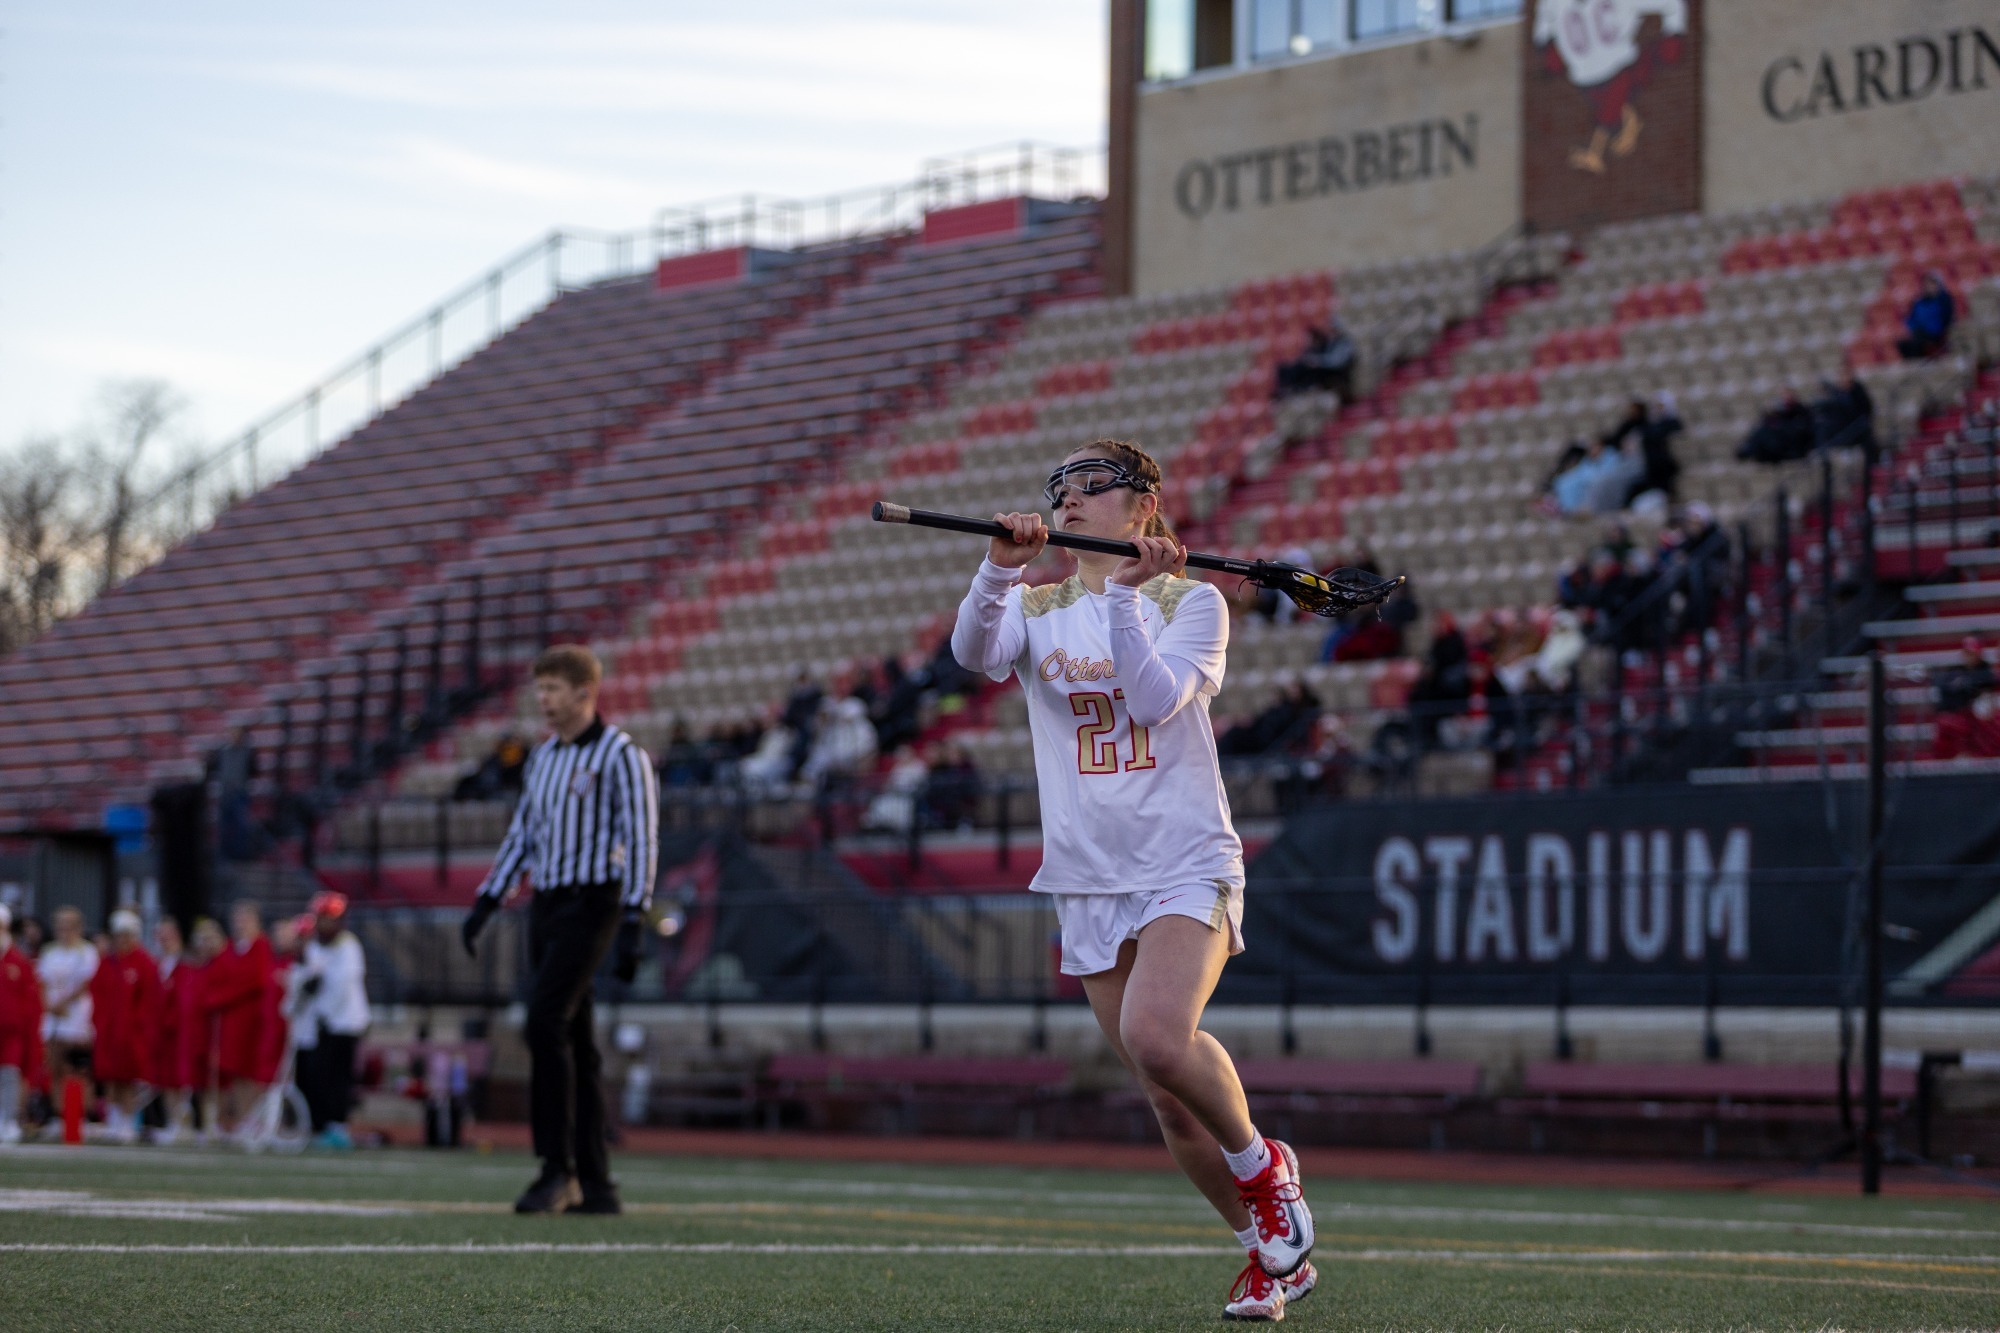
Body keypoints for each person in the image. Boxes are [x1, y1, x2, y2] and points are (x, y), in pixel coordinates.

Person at [951, 438, 1317, 1322]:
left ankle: (1266, 1167)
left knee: (1157, 1036)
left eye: (1092, 485)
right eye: (1060, 488)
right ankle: (1268, 1253)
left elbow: (1153, 701)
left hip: (1184, 860)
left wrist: (1121, 597)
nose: (1069, 500)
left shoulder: (1193, 602)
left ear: (1144, 505)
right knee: (1167, 1099)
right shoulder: (1036, 606)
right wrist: (997, 568)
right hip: (1088, 875)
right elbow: (972, 651)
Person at [461, 644, 659, 1215]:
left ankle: (557, 1168)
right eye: (540, 689)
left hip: (593, 901)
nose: (543, 700)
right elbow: (524, 834)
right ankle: (596, 1183)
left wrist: (633, 915)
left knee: (544, 1021)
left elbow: (642, 836)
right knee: (576, 1039)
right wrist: (488, 898)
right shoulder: (543, 757)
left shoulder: (621, 754)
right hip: (547, 903)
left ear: (584, 692)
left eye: (552, 689)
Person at [296, 891, 368, 1150]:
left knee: (338, 1078)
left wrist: (324, 1010)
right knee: (318, 1077)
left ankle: (337, 1126)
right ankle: (321, 1124)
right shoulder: (315, 946)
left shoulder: (348, 946)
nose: (322, 924)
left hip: (344, 1024)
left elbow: (343, 985)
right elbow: (310, 976)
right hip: (321, 1025)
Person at [87, 910, 160, 1144]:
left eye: (127, 935)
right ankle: (114, 1119)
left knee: (129, 1078)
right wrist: (99, 1022)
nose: (122, 940)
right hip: (109, 1031)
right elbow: (97, 993)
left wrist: (139, 1027)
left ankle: (128, 1120)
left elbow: (149, 1000)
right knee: (110, 1077)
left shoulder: (144, 963)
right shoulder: (107, 962)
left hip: (132, 1033)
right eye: (119, 935)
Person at [205, 901, 275, 1134]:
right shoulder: (231, 948)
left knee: (250, 1071)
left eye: (245, 919)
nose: (241, 924)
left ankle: (254, 1119)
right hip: (232, 1021)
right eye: (238, 919)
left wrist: (223, 997)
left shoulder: (260, 946)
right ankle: (243, 1118)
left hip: (252, 1019)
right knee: (235, 1072)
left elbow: (257, 980)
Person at [38, 907, 97, 1106]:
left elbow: (86, 982)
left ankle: (79, 1110)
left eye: (68, 926)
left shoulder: (86, 951)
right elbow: (42, 982)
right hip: (52, 1012)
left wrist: (63, 1003)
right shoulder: (49, 951)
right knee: (55, 1065)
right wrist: (49, 1005)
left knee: (76, 1066)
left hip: (75, 1013)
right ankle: (59, 1110)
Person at [0, 906, 42, 1144]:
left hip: (11, 1031)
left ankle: (8, 1119)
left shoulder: (18, 961)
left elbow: (30, 1000)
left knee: (10, 1073)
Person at [1273, 321, 1355, 400]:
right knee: (1291, 367)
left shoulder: (1344, 343)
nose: (1331, 331)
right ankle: (1288, 388)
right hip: (1324, 368)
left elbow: (1336, 362)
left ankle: (1294, 388)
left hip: (1335, 372)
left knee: (1307, 368)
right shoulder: (1330, 341)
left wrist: (1318, 361)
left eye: (1333, 329)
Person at [1737, 391, 1817, 464]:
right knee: (1763, 431)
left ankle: (1750, 449)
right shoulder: (1777, 418)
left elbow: (1799, 433)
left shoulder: (1800, 415)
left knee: (1767, 433)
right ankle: (1750, 449)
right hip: (1776, 448)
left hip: (1791, 450)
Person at [1898, 271, 1955, 360]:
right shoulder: (1919, 301)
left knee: (1917, 343)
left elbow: (1946, 320)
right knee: (1903, 344)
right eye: (1927, 284)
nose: (1929, 286)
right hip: (1919, 333)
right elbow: (1911, 319)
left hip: (1935, 334)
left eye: (1932, 284)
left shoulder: (1944, 300)